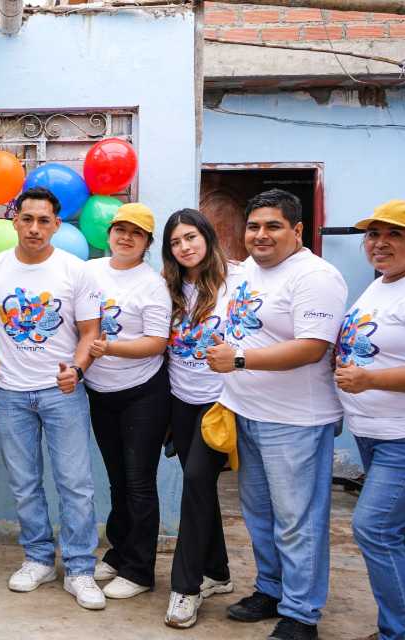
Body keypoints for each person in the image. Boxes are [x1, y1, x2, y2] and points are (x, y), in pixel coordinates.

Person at [207, 188, 347, 640]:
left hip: (296, 422)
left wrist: (240, 361)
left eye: (273, 226)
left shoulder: (315, 276)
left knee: (297, 521)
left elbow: (312, 347)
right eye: (253, 226)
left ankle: (302, 614)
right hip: (247, 412)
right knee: (261, 515)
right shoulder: (244, 270)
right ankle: (271, 590)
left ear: (297, 230)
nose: (260, 235)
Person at [0, 186, 104, 611]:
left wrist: (78, 371)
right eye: (27, 219)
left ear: (56, 225)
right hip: (11, 395)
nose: (34, 228)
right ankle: (39, 559)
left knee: (76, 485)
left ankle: (80, 569)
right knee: (25, 485)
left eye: (44, 221)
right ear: (15, 222)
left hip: (62, 393)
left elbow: (90, 333)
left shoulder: (74, 271)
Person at [334, 200, 405, 640]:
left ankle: (399, 632)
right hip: (374, 433)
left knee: (374, 528)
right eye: (374, 235)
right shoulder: (383, 285)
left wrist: (369, 379)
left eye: (395, 235)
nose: (380, 243)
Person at [83, 203, 171, 600]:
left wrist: (109, 348)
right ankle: (118, 554)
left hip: (143, 394)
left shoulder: (153, 284)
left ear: (147, 243)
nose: (125, 237)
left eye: (136, 233)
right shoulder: (90, 272)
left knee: (138, 483)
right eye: (120, 229)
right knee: (117, 480)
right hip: (100, 393)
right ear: (109, 234)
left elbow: (156, 342)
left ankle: (140, 570)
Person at [160, 209, 236, 628]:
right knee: (199, 486)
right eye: (175, 242)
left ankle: (185, 588)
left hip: (219, 404)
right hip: (181, 403)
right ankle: (219, 572)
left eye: (191, 237)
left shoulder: (235, 284)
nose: (185, 246)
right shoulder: (170, 288)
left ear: (207, 237)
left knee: (194, 484)